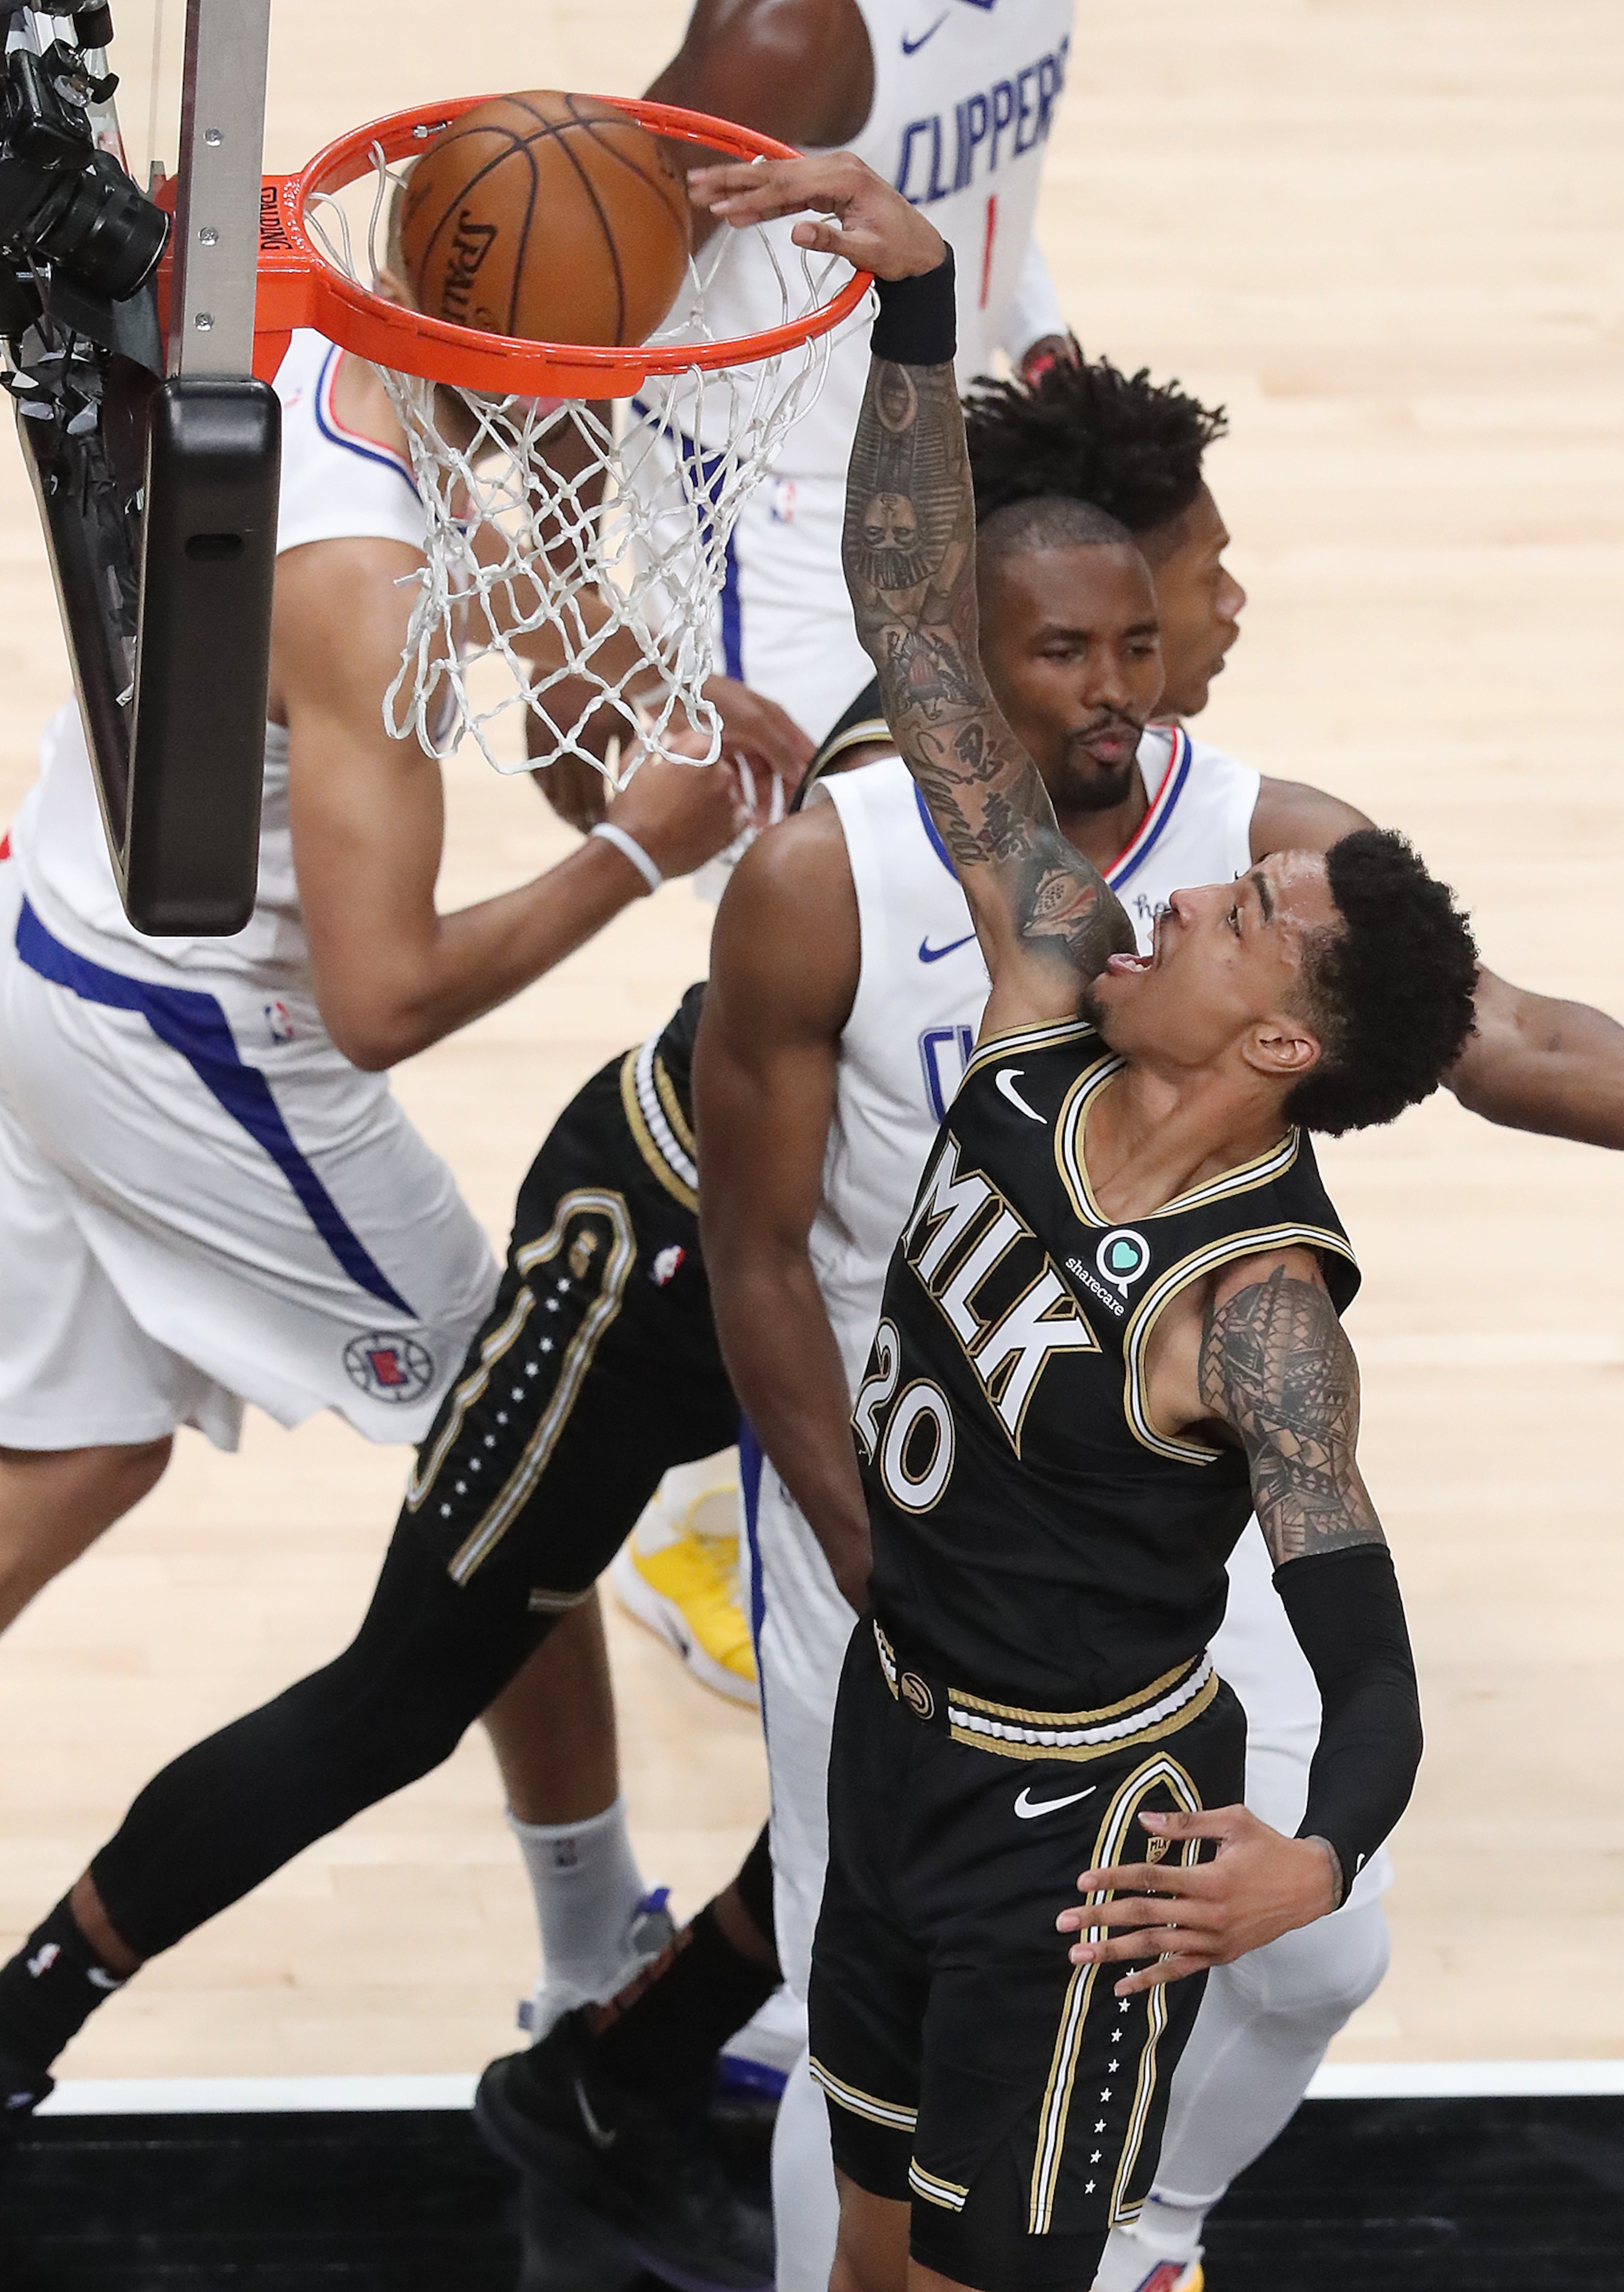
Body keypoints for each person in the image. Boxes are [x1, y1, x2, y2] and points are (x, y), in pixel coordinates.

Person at [690, 202, 1624, 2292]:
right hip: (906, 1697)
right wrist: (917, 305)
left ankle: (1160, 2233)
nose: (1192, 894)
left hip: (1074, 1820)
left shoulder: (1260, 1304)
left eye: (1245, 913)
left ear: (1285, 1033)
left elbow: (1363, 1623)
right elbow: (913, 626)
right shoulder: (1054, 987)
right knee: (860, 2231)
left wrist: (1317, 1854)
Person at [0, 317, 807, 2081]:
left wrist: (627, 663)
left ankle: (592, 1930)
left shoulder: (311, 359)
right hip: (206, 1050)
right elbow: (387, 1001)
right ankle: (593, 1952)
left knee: (75, 1460)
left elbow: (470, 565)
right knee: (523, 1457)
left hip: (54, 941)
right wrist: (634, 847)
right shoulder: (364, 590)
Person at [592, 0, 1079, 1691]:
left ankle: (904, 1413)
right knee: (850, 1055)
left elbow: (994, 198)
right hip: (787, 566)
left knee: (956, 1025)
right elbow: (578, 287)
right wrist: (601, 624)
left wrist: (1041, 354)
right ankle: (700, 1522)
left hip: (949, 464)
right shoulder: (790, 34)